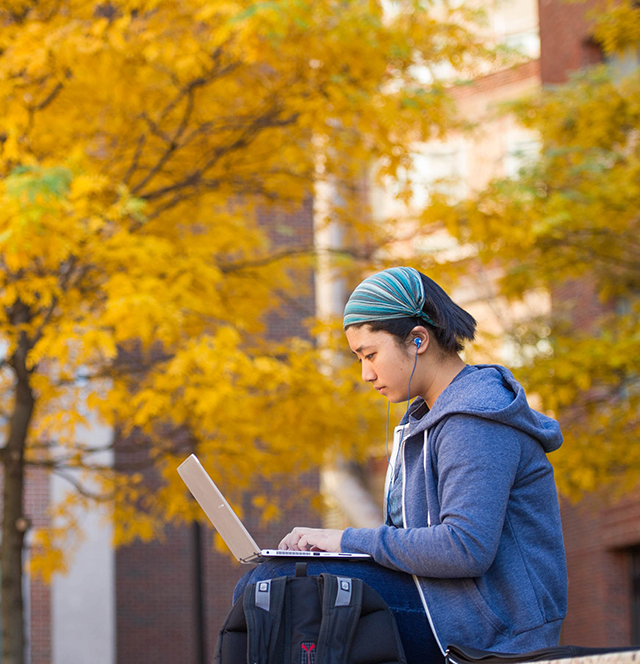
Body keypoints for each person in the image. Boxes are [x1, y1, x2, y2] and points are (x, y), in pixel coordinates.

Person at [233, 266, 567, 664]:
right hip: (444, 603)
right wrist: (335, 551)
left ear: (418, 340)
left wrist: (344, 541)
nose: (365, 373)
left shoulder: (475, 419)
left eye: (371, 354)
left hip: (496, 629)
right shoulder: (426, 421)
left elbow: (465, 548)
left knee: (281, 586)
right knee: (269, 579)